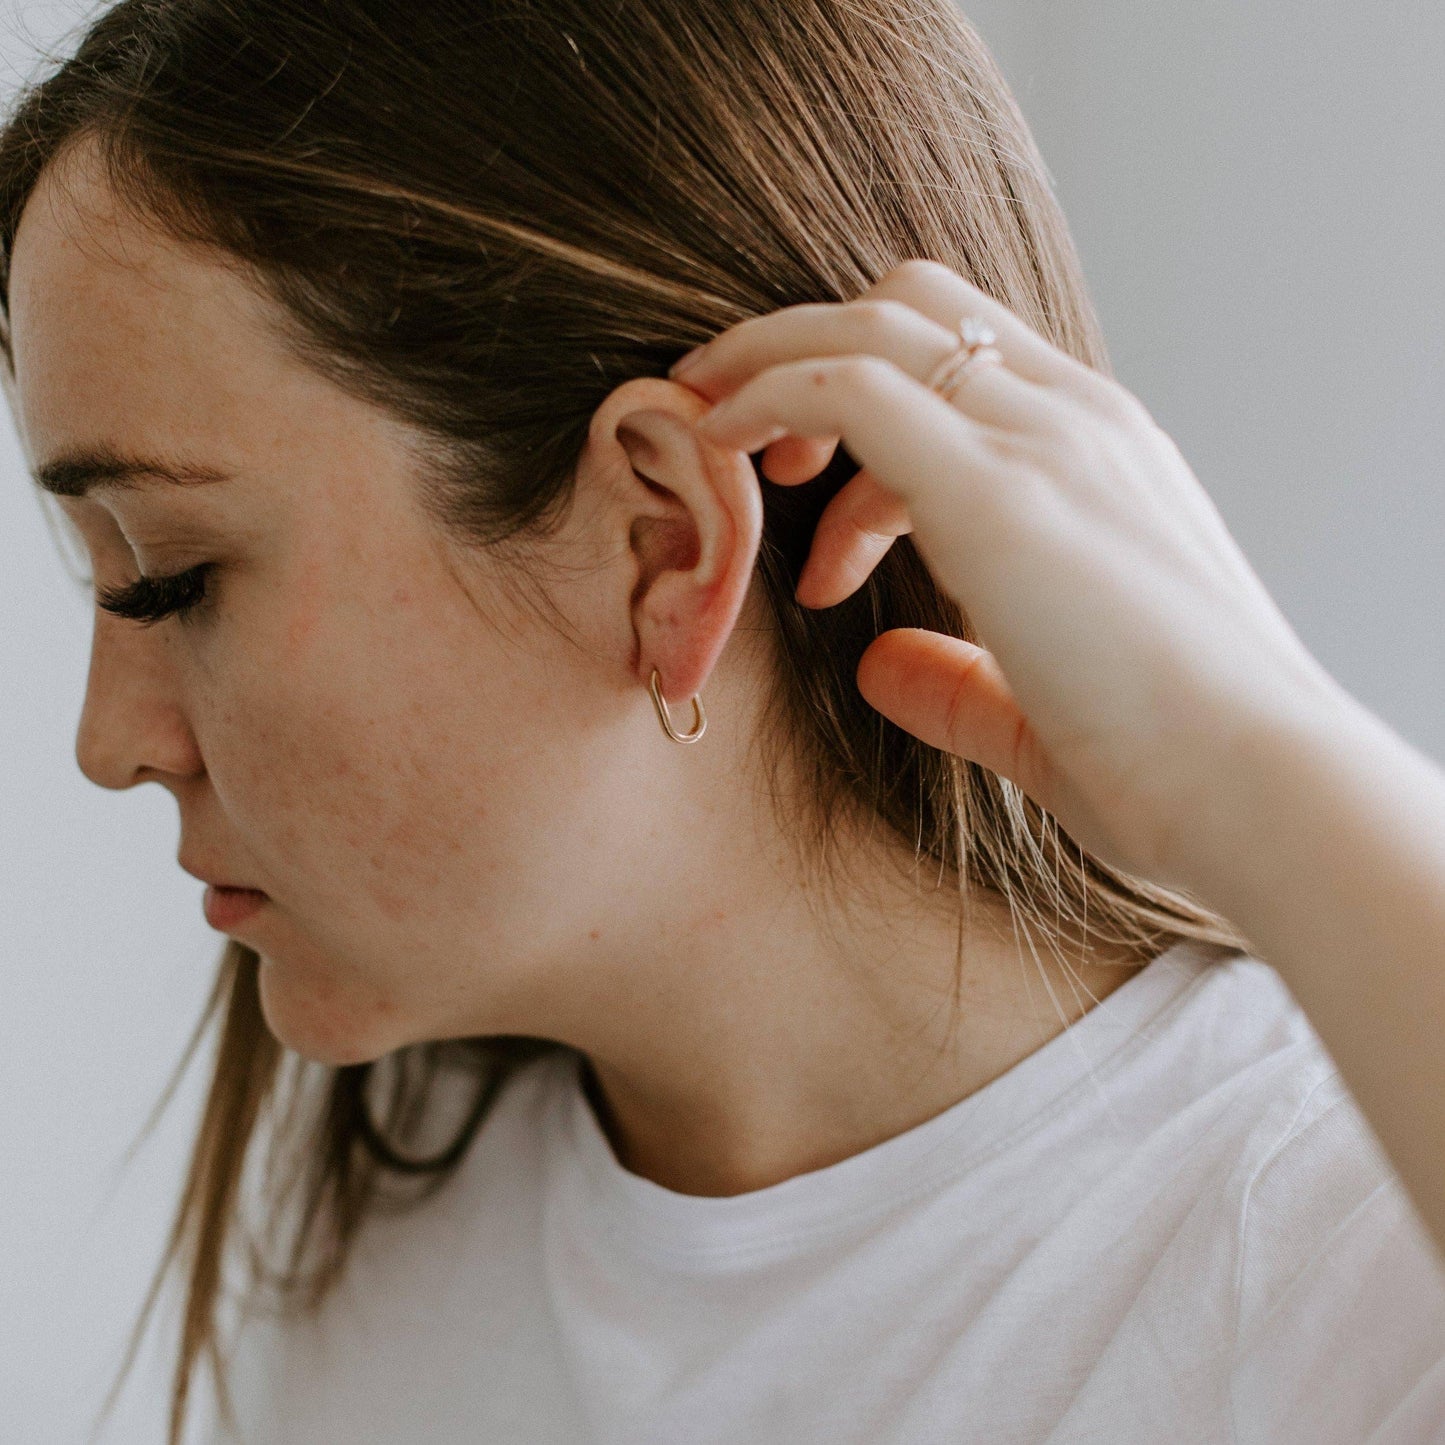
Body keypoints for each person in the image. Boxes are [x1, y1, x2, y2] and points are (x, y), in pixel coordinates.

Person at [4, 2, 1445, 1442]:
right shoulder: (395, 1214)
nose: (109, 743)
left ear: (665, 545)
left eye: (170, 577)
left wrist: (1254, 766)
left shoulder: (1339, 1266)